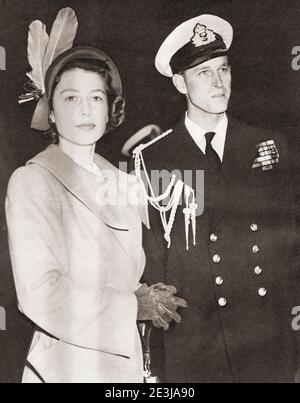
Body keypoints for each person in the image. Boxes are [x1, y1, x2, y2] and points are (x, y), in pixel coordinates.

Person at [5, 20, 187, 381]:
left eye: (96, 98)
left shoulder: (123, 183)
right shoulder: (32, 181)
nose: (85, 110)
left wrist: (146, 293)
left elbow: (122, 275)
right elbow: (41, 292)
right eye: (70, 97)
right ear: (51, 113)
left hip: (126, 367)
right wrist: (133, 305)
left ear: (110, 111)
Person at [135, 14, 300, 383]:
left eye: (223, 69)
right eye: (203, 72)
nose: (218, 82)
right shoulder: (153, 158)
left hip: (263, 339)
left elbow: (289, 245)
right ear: (180, 82)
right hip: (194, 342)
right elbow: (154, 257)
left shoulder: (268, 145)